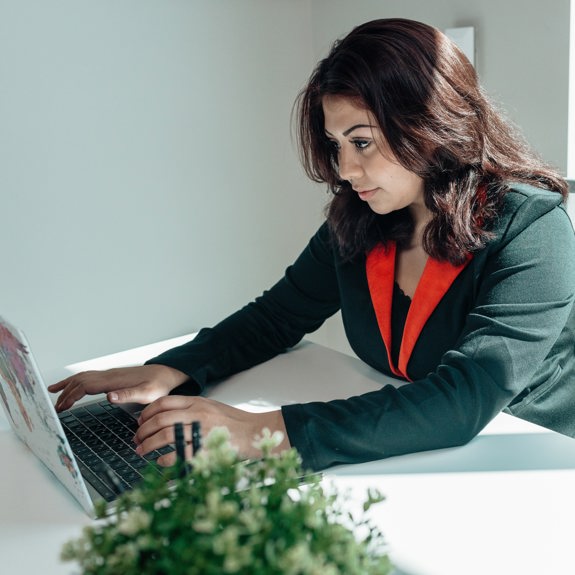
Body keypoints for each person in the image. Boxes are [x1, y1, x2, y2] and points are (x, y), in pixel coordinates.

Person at [48, 18, 575, 472]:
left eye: (361, 142)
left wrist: (261, 432)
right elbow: (275, 318)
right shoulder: (363, 219)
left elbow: (462, 400)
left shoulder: (533, 229)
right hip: (418, 453)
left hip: (529, 466)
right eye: (336, 144)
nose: (345, 170)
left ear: (430, 127)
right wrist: (174, 367)